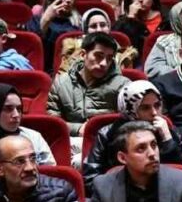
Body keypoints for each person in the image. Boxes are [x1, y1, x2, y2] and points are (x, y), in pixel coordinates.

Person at [81, 80, 182, 189]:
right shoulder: (107, 134)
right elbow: (90, 177)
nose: (154, 112)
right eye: (145, 108)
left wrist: (167, 139)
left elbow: (179, 175)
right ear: (130, 110)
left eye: (157, 105)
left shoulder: (169, 132)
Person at [46, 32, 129, 161]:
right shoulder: (61, 83)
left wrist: (95, 129)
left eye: (109, 58)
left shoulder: (123, 85)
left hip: (107, 143)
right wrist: (78, 129)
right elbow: (53, 123)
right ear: (83, 55)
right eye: (98, 56)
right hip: (71, 142)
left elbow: (128, 123)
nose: (103, 63)